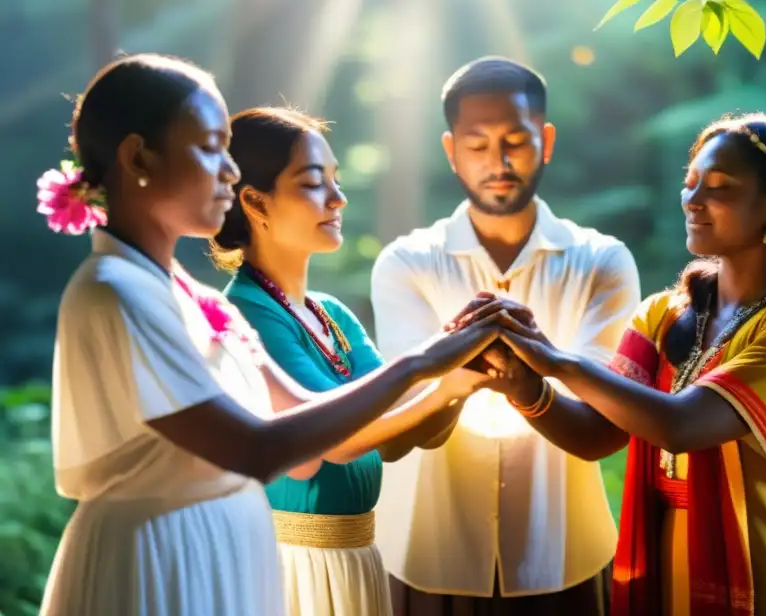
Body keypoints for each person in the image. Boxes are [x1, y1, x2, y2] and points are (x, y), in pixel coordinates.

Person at [38, 53, 502, 616]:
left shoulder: (196, 299)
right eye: (210, 147)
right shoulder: (115, 291)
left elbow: (310, 415)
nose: (230, 171)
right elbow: (255, 448)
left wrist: (456, 357)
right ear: (139, 156)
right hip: (162, 563)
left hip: (216, 554)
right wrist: (424, 362)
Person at [459, 113, 766, 615]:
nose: (692, 200)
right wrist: (522, 382)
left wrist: (557, 361)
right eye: (689, 183)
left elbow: (683, 425)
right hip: (669, 561)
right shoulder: (664, 313)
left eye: (718, 187)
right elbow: (596, 435)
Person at [370, 56, 642, 615]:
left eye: (516, 140)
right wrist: (464, 377)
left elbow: (601, 413)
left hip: (562, 549)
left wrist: (517, 381)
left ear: (546, 139)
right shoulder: (407, 263)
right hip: (431, 548)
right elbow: (408, 416)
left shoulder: (601, 261)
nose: (498, 161)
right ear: (451, 151)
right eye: (476, 144)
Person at [212, 106, 494, 616]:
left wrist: (463, 378)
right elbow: (333, 442)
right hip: (292, 563)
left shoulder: (333, 313)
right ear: (255, 201)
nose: (338, 199)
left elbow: (403, 434)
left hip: (355, 553)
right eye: (314, 183)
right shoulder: (243, 314)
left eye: (336, 181)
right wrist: (440, 376)